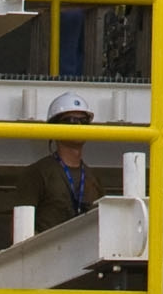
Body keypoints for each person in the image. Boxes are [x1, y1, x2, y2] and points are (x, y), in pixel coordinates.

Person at [13, 94, 103, 226]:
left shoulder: (94, 178)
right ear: (54, 126)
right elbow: (19, 228)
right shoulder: (37, 173)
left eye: (84, 121)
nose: (78, 126)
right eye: (70, 121)